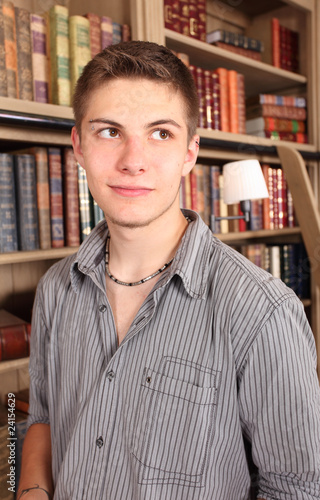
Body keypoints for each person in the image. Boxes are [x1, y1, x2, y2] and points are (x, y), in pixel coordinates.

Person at [18, 40, 320, 500]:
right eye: (109, 131)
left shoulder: (263, 312)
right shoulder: (55, 288)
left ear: (189, 153)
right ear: (78, 145)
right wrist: (30, 491)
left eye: (160, 133)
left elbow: (296, 490)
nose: (133, 160)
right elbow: (41, 417)